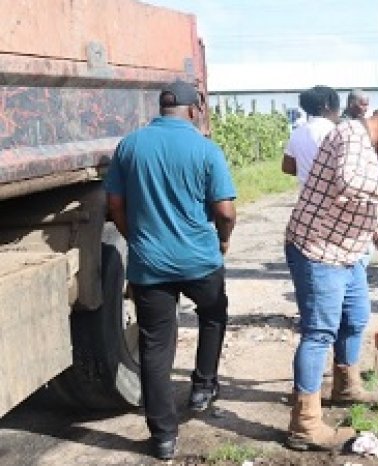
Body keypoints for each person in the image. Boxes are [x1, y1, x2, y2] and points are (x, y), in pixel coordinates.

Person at [284, 101, 378, 451]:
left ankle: (345, 385)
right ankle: (304, 424)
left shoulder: (367, 147)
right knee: (320, 332)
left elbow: (365, 202)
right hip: (318, 248)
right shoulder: (351, 134)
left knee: (356, 318)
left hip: (347, 252)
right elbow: (351, 182)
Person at [104, 80, 237, 461]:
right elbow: (225, 212)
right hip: (200, 260)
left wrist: (138, 239)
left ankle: (163, 437)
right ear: (193, 110)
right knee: (213, 314)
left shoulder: (130, 145)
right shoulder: (206, 149)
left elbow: (115, 204)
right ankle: (202, 386)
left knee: (155, 346)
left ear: (161, 108)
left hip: (150, 264)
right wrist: (222, 241)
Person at [282, 86, 341, 184]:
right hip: (332, 194)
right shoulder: (334, 131)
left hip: (306, 194)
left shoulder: (296, 133)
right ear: (327, 105)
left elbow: (287, 167)